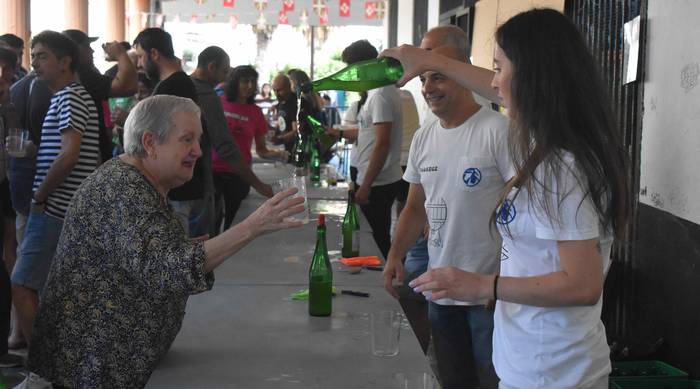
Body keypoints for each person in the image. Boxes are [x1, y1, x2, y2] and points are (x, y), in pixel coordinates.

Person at [384, 8, 629, 388]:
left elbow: (583, 285)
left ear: (533, 76)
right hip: (527, 363)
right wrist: (429, 60)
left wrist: (485, 285)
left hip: (556, 373)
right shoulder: (541, 148)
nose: (493, 83)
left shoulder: (564, 165)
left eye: (499, 68)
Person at [21, 95, 305, 388]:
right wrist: (253, 226)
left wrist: (177, 247)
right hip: (85, 367)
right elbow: (168, 269)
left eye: (198, 140)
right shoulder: (124, 188)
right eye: (186, 139)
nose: (197, 150)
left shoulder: (135, 181)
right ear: (150, 142)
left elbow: (148, 257)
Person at [384, 42, 512, 388]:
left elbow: (521, 208)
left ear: (462, 76)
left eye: (438, 77)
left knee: (492, 380)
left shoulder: (497, 131)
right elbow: (414, 207)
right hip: (440, 290)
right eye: (424, 79)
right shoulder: (425, 138)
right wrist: (395, 254)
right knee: (453, 380)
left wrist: (503, 277)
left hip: (488, 294)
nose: (428, 88)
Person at [11, 30, 100, 345]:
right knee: (52, 290)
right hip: (61, 207)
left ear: (65, 61)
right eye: (33, 55)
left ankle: (42, 369)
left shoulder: (72, 96)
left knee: (21, 284)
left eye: (43, 56)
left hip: (55, 209)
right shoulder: (62, 97)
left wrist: (39, 196)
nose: (35, 62)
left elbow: (69, 155)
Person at [133, 27, 211, 236]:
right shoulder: (175, 84)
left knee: (179, 259)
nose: (139, 64)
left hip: (178, 190)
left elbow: (168, 137)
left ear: (154, 54)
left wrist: (130, 122)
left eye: (141, 56)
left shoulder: (173, 88)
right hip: (181, 187)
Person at [189, 46, 273, 217]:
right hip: (201, 178)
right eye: (225, 71)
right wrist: (259, 185)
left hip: (221, 177)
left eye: (252, 82)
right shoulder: (211, 98)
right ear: (211, 67)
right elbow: (225, 146)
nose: (225, 77)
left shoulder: (181, 85)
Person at [341, 39, 403, 258]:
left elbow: (382, 142)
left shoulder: (381, 94)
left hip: (378, 181)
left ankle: (385, 281)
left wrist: (366, 185)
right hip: (374, 177)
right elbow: (370, 135)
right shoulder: (377, 91)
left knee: (376, 238)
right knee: (375, 235)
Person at [214, 65, 287, 232]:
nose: (249, 86)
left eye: (253, 82)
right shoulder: (218, 103)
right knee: (211, 224)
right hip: (213, 172)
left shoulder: (255, 112)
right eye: (244, 81)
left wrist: (280, 155)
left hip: (240, 174)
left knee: (235, 225)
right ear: (234, 82)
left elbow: (262, 150)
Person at [63, 29, 138, 163]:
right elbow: (128, 87)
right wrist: (121, 54)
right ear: (75, 49)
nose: (92, 51)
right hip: (89, 159)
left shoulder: (78, 75)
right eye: (87, 46)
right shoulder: (82, 76)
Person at [0, 45, 24, 368]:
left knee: (9, 264)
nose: (6, 78)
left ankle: (5, 347)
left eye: (9, 71)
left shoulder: (10, 105)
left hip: (6, 187)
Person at [270, 73, 297, 158]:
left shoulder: (295, 103)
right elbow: (281, 122)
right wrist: (274, 132)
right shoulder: (281, 102)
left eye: (279, 90)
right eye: (274, 90)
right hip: (287, 147)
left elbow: (297, 131)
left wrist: (280, 139)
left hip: (297, 148)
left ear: (288, 87)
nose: (276, 93)